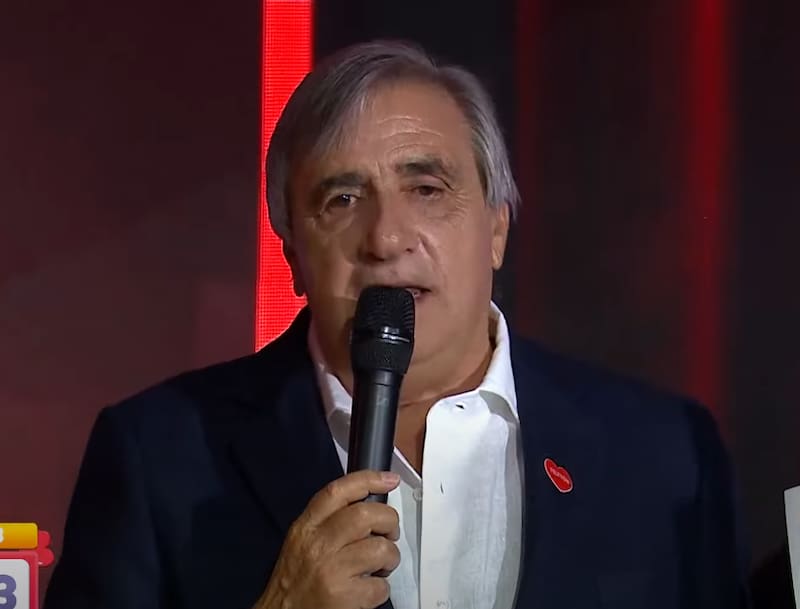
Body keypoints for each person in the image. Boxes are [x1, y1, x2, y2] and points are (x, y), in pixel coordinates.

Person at [44, 40, 751, 609]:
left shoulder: (663, 455)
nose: (385, 238)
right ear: (292, 254)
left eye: (427, 188)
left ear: (496, 227)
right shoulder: (159, 455)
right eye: (342, 200)